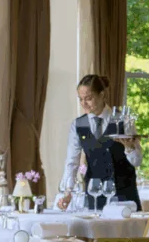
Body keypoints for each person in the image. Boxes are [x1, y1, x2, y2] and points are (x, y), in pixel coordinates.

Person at [59, 74, 143, 211]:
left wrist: (129, 148)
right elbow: (72, 161)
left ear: (102, 94)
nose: (83, 103)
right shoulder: (78, 125)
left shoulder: (124, 120)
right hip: (95, 196)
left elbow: (137, 161)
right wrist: (68, 192)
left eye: (89, 98)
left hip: (124, 198)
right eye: (80, 99)